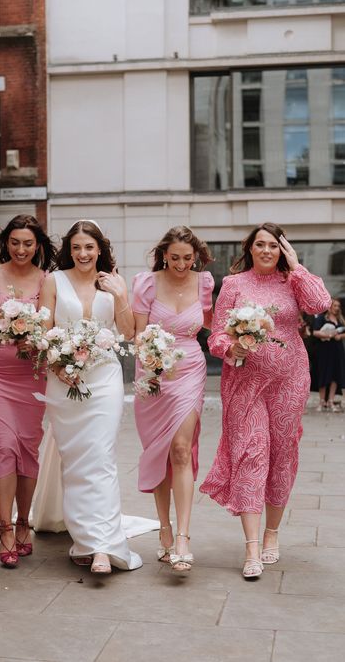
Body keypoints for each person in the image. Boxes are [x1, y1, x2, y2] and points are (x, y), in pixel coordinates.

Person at [200, 223, 331, 579]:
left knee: (282, 452)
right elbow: (215, 336)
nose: (267, 251)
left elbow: (319, 303)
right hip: (244, 382)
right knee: (253, 451)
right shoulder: (234, 284)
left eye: (274, 245)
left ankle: (272, 533)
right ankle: (252, 548)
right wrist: (233, 347)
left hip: (290, 379)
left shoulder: (293, 281)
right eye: (261, 245)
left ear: (282, 249)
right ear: (250, 249)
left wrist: (297, 264)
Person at [38, 219, 142, 574]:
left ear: (100, 249)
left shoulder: (112, 282)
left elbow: (127, 333)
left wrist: (121, 295)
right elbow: (44, 330)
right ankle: (83, 537)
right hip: (63, 378)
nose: (83, 254)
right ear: (69, 249)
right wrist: (58, 367)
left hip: (104, 377)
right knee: (76, 460)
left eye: (90, 247)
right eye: (77, 247)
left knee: (101, 455)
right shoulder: (54, 280)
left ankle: (103, 545)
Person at [131, 226, 214, 573]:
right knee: (160, 451)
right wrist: (149, 359)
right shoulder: (146, 283)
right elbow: (137, 335)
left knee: (181, 449)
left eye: (187, 258)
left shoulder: (205, 283)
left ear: (195, 256)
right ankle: (163, 527)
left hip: (191, 369)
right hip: (153, 371)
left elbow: (210, 326)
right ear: (164, 254)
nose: (181, 264)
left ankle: (183, 536)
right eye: (175, 257)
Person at [0, 215, 56, 568]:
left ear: (37, 246)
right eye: (14, 242)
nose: (21, 249)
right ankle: (5, 527)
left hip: (31, 375)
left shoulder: (46, 281)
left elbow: (49, 330)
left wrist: (33, 340)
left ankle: (25, 520)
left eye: (28, 243)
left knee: (28, 450)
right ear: (5, 242)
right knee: (4, 446)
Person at [312, 298, 345, 412]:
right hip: (325, 350)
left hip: (337, 349)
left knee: (336, 374)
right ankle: (322, 401)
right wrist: (329, 335)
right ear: (329, 307)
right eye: (335, 306)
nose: (337, 308)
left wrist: (341, 336)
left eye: (338, 306)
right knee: (324, 372)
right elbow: (315, 332)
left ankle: (331, 401)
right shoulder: (321, 318)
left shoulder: (340, 319)